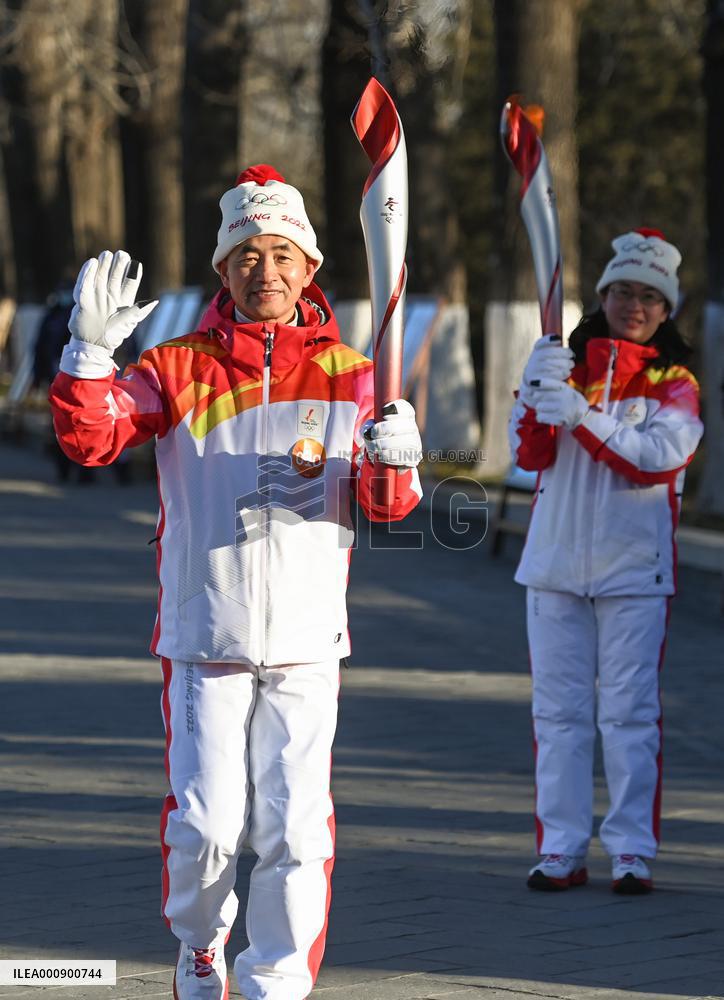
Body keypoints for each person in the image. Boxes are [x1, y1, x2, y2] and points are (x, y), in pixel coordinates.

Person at [48, 164, 423, 1000]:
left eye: (283, 253)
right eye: (248, 254)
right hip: (203, 633)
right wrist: (89, 354)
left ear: (309, 268)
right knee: (207, 831)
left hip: (306, 639)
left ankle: (276, 981)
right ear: (224, 269)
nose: (267, 270)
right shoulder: (175, 367)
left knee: (293, 828)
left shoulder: (355, 375)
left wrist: (398, 462)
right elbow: (92, 442)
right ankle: (199, 943)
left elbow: (386, 508)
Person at [508, 228, 703, 895]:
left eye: (649, 296)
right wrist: (536, 393)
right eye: (623, 290)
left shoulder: (675, 383)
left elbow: (656, 460)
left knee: (628, 715)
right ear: (603, 295)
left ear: (666, 308)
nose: (634, 305)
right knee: (557, 716)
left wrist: (584, 416)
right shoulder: (566, 367)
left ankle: (630, 850)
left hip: (634, 572)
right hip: (554, 566)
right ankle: (560, 848)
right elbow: (529, 457)